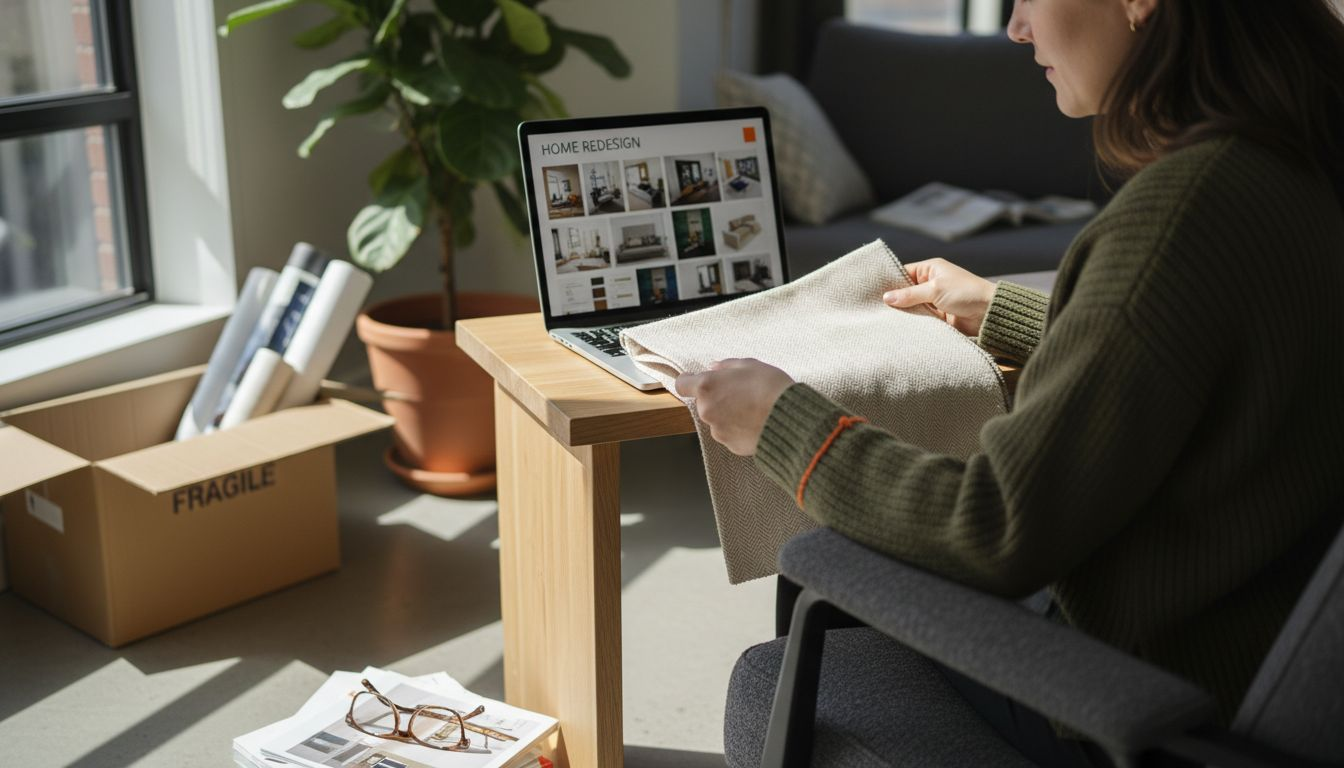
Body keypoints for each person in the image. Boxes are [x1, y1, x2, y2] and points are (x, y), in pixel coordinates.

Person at [675, 0, 1344, 765]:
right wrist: (1009, 311)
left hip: (1146, 711)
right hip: (1264, 665)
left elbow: (992, 528)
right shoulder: (1297, 158)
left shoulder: (1182, 211)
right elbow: (1213, 356)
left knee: (781, 655)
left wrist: (783, 424)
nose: (1016, 26)